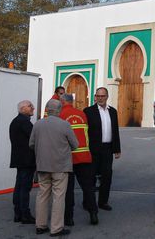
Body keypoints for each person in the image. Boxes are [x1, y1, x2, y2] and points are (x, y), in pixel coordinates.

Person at [29, 99, 78, 237]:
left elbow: (31, 144)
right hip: (60, 166)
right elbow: (75, 144)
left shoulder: (38, 124)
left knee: (42, 195)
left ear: (47, 109)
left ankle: (40, 225)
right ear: (59, 110)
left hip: (43, 165)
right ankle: (56, 228)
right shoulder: (65, 125)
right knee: (58, 197)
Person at [59, 94, 98, 226]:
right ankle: (93, 213)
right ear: (72, 101)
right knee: (88, 188)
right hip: (85, 156)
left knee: (68, 190)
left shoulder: (61, 115)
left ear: (62, 101)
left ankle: (68, 218)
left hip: (68, 157)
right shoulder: (81, 114)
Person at [83, 87, 121, 211]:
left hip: (107, 149)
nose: (100, 98)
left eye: (103, 96)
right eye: (98, 96)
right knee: (90, 177)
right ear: (95, 97)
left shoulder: (113, 111)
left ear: (107, 97)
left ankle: (103, 202)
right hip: (93, 149)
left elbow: (115, 131)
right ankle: (88, 202)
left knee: (107, 176)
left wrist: (117, 149)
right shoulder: (88, 111)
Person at [9, 100, 36, 224]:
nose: (33, 108)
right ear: (23, 108)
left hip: (20, 159)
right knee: (24, 187)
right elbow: (34, 138)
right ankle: (24, 214)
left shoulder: (16, 121)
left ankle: (18, 213)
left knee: (19, 186)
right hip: (26, 160)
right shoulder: (24, 122)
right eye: (30, 106)